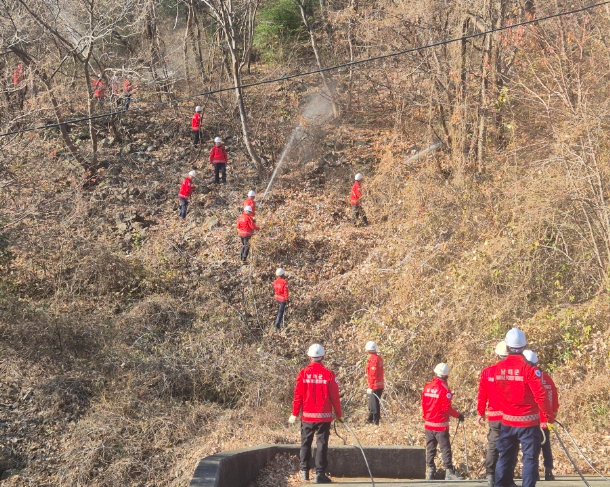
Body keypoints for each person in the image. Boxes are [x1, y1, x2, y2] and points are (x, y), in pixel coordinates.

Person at [494, 328, 555, 487]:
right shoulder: (529, 369)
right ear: (524, 346)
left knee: (504, 457)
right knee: (529, 459)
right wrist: (548, 415)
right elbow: (541, 396)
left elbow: (499, 392)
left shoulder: (498, 368)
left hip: (507, 422)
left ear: (507, 346)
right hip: (528, 423)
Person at [289, 344, 343, 484]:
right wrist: (339, 415)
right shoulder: (329, 374)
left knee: (305, 443)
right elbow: (334, 397)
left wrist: (295, 413)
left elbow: (298, 396)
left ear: (309, 357)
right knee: (321, 444)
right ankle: (319, 474)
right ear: (322, 357)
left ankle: (304, 472)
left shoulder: (303, 373)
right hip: (324, 417)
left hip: (307, 417)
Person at [421, 363, 464, 481]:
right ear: (446, 376)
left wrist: (426, 417)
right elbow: (446, 408)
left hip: (429, 424)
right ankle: (449, 472)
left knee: (430, 448)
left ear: (435, 373)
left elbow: (423, 404)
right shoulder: (444, 389)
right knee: (445, 448)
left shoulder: (427, 387)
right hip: (440, 425)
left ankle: (430, 471)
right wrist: (458, 415)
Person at [523, 350, 559, 482]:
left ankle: (534, 472)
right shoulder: (547, 378)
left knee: (532, 447)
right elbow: (554, 398)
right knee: (546, 445)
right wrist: (552, 415)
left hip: (531, 419)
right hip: (546, 419)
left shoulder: (527, 377)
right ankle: (548, 471)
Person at [477, 341, 509, 487]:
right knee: (509, 447)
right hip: (511, 417)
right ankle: (504, 476)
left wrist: (480, 413)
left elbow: (482, 394)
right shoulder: (514, 372)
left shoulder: (487, 372)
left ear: (497, 356)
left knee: (493, 446)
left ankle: (490, 476)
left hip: (495, 417)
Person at [365, 341, 384, 425]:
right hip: (380, 385)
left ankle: (376, 422)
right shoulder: (379, 358)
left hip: (375, 386)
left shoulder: (373, 359)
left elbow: (373, 375)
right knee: (373, 404)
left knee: (374, 405)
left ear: (368, 350)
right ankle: (370, 419)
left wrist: (370, 386)